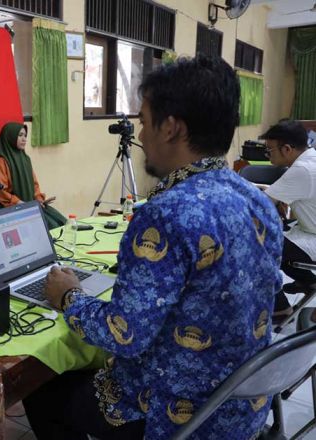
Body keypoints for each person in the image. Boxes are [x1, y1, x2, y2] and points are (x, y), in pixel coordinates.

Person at [23, 55, 283, 439]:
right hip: (243, 404)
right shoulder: (257, 199)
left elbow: (123, 335)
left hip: (180, 415)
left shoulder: (164, 215)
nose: (140, 136)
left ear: (171, 128)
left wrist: (69, 296)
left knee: (43, 389)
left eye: (144, 122)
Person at [259, 120, 315, 321]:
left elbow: (261, 203)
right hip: (309, 228)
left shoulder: (301, 170)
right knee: (278, 231)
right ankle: (307, 281)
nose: (268, 155)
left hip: (312, 238)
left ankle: (280, 307)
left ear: (287, 149)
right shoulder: (311, 159)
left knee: (258, 243)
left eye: (270, 150)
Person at [0, 122, 67, 230]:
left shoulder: (25, 158)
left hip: (31, 206)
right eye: (20, 135)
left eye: (25, 135)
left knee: (62, 223)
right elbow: (1, 192)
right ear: (10, 137)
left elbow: (34, 183)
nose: (24, 139)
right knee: (53, 229)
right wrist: (20, 203)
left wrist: (39, 199)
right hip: (16, 210)